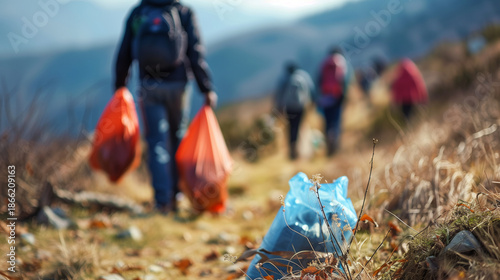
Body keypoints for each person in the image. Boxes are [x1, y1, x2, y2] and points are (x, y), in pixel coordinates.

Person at [114, 0, 217, 213]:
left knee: (157, 143)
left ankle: (162, 201)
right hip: (178, 85)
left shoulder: (139, 12)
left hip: (148, 86)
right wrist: (206, 88)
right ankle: (177, 194)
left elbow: (124, 51)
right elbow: (195, 52)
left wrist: (120, 86)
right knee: (177, 137)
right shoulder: (183, 12)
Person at [274, 61, 314, 160]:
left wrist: (279, 108)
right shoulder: (303, 77)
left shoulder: (284, 79)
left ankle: (292, 150)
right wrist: (312, 102)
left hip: (289, 107)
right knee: (300, 126)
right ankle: (301, 150)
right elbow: (311, 89)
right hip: (300, 106)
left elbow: (279, 94)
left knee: (291, 128)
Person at [317, 47, 350, 156]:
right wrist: (344, 95)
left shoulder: (324, 63)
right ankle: (335, 146)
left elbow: (319, 81)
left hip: (326, 98)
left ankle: (328, 146)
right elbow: (346, 80)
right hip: (337, 97)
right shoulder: (342, 62)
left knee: (327, 122)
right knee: (336, 121)